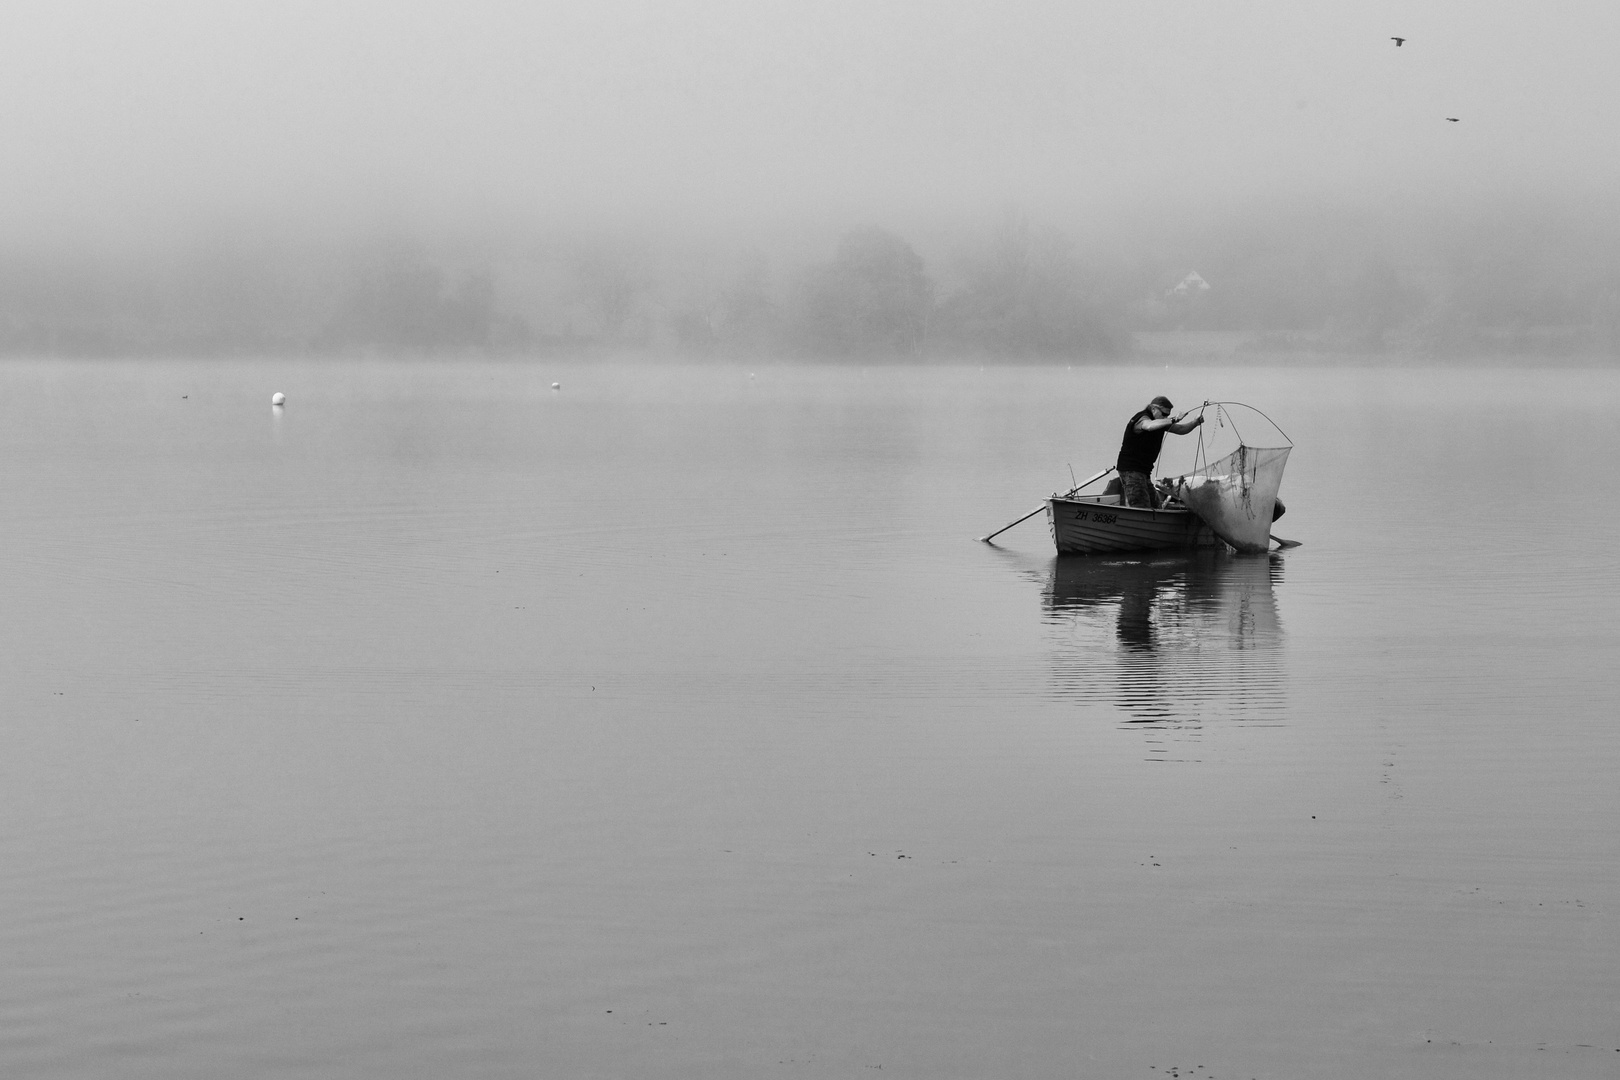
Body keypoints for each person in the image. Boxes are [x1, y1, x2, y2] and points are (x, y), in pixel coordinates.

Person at [1115, 396, 1204, 508]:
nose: (1165, 417)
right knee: (1141, 507)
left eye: (1167, 415)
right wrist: (1173, 419)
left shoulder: (1160, 422)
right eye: (1164, 414)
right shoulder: (1142, 418)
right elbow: (1149, 426)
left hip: (1144, 472)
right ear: (1153, 409)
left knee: (1156, 506)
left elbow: (1181, 429)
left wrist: (1196, 422)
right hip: (1131, 471)